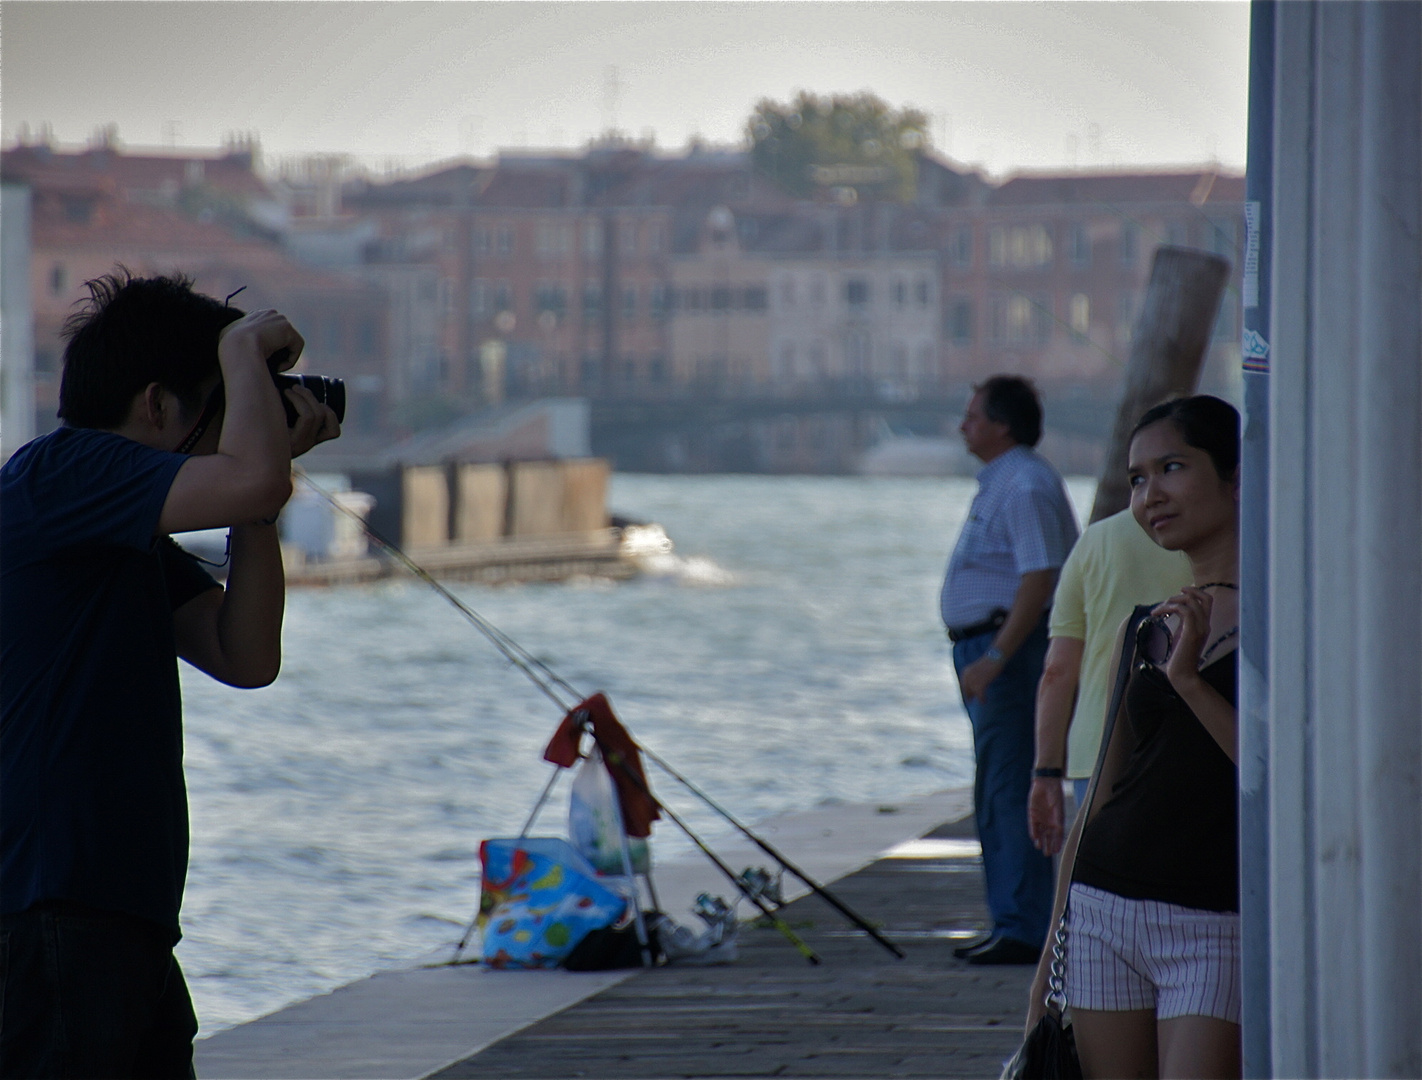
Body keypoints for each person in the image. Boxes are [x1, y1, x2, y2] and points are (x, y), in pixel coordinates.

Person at [0, 271, 340, 1078]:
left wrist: (258, 508)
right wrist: (239, 350)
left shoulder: (114, 529)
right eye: (221, 415)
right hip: (55, 907)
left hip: (117, 912)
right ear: (157, 405)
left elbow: (245, 656)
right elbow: (249, 475)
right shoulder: (64, 473)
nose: (236, 441)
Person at [1027, 395, 1242, 1080]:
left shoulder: (1289, 621)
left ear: (1237, 475)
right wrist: (1044, 971)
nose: (1151, 495)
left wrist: (1190, 683)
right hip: (1105, 909)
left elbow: (1279, 776)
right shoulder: (1146, 626)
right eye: (1138, 478)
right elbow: (1100, 797)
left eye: (1172, 468)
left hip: (1217, 921)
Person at [941, 375, 1079, 965]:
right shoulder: (1002, 481)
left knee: (1007, 784)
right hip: (987, 649)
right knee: (995, 781)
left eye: (973, 416)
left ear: (1003, 425)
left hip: (1006, 652)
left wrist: (995, 657)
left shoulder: (1023, 485)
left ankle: (1022, 927)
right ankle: (1010, 919)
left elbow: (1039, 578)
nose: (963, 425)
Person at [1027, 508, 1191, 856]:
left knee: (1107, 886)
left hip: (1098, 749)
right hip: (1192, 740)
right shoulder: (1218, 533)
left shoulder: (1095, 541)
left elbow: (1058, 670)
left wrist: (1046, 772)